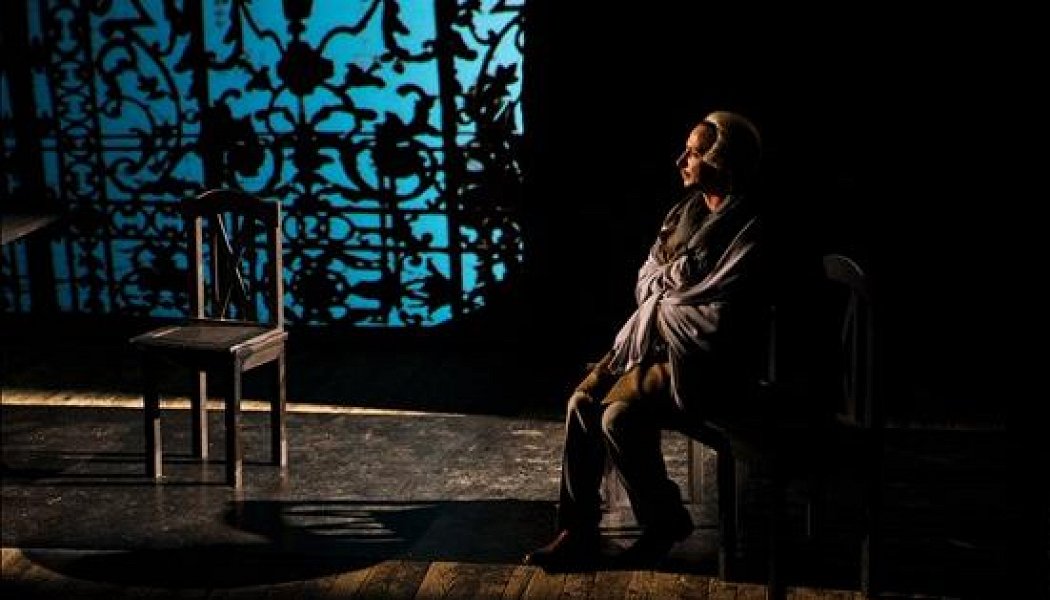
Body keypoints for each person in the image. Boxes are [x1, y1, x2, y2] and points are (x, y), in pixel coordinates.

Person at [524, 110, 770, 569]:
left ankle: (663, 523)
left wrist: (663, 300)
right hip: (653, 344)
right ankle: (577, 529)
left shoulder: (750, 228)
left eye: (693, 154)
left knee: (617, 417)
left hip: (705, 363)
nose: (681, 161)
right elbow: (646, 281)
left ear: (723, 163)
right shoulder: (685, 212)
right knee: (581, 403)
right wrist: (670, 292)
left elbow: (717, 316)